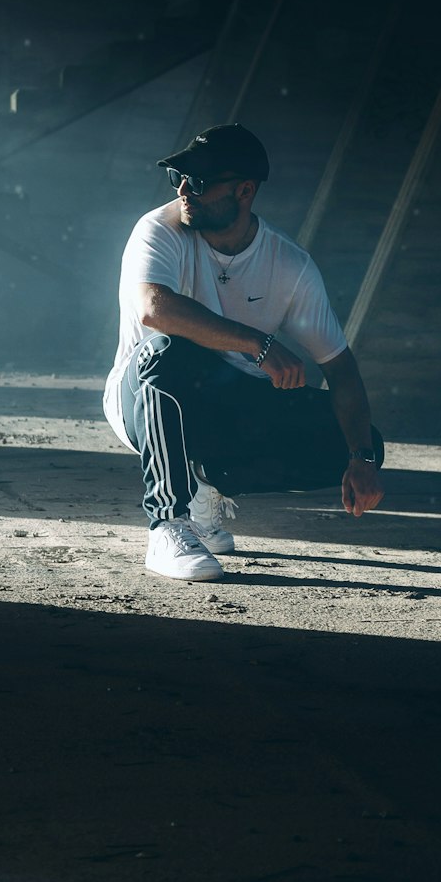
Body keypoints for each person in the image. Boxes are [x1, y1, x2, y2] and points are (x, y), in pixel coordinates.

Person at [102, 123, 384, 581]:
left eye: (197, 181)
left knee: (357, 439)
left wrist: (363, 458)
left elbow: (341, 367)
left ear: (244, 190)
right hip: (143, 396)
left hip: (225, 402)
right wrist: (259, 344)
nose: (183, 190)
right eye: (179, 178)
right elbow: (154, 308)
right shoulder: (160, 230)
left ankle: (208, 487)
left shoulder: (288, 265)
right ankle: (167, 526)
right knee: (166, 352)